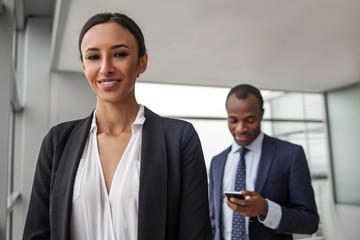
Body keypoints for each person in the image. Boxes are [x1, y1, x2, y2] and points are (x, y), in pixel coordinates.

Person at [23, 12, 212, 240]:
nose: (106, 68)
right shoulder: (57, 141)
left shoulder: (179, 138)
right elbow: (37, 233)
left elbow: (195, 234)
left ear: (142, 62)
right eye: (93, 57)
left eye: (119, 54)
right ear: (83, 66)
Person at [208, 84, 319, 240]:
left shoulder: (290, 155)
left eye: (249, 120)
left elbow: (310, 222)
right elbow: (213, 220)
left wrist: (266, 209)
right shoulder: (217, 162)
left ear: (261, 115)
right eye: (233, 120)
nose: (241, 128)